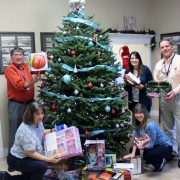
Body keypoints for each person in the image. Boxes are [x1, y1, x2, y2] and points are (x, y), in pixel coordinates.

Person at [0, 102, 61, 180]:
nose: (41, 116)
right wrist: (49, 160)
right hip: (17, 159)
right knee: (42, 166)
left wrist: (52, 130)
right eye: (37, 114)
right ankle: (6, 178)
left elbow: (40, 131)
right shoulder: (26, 130)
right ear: (31, 114)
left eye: (42, 113)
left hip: (26, 156)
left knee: (32, 175)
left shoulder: (38, 122)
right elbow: (31, 153)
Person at [4, 47, 41, 150]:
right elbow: (19, 86)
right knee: (15, 132)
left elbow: (37, 70)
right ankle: (12, 161)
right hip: (16, 105)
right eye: (16, 55)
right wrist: (34, 81)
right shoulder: (9, 69)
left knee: (30, 129)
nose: (19, 57)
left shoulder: (25, 66)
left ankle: (29, 156)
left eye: (21, 54)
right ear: (11, 57)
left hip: (29, 103)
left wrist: (43, 61)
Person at [123, 103, 173, 172]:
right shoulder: (138, 124)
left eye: (140, 113)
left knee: (147, 156)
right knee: (133, 149)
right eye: (136, 113)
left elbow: (150, 144)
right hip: (155, 145)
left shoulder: (150, 125)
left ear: (145, 113)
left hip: (165, 146)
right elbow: (136, 138)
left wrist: (142, 147)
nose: (138, 115)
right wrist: (133, 153)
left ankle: (161, 162)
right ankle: (137, 165)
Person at [154, 39, 180, 166]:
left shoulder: (179, 60)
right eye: (162, 47)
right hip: (164, 98)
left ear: (172, 47)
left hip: (178, 97)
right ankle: (171, 151)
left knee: (179, 128)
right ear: (160, 49)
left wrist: (174, 92)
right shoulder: (159, 64)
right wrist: (155, 92)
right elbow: (156, 81)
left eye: (167, 46)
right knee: (167, 128)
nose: (165, 49)